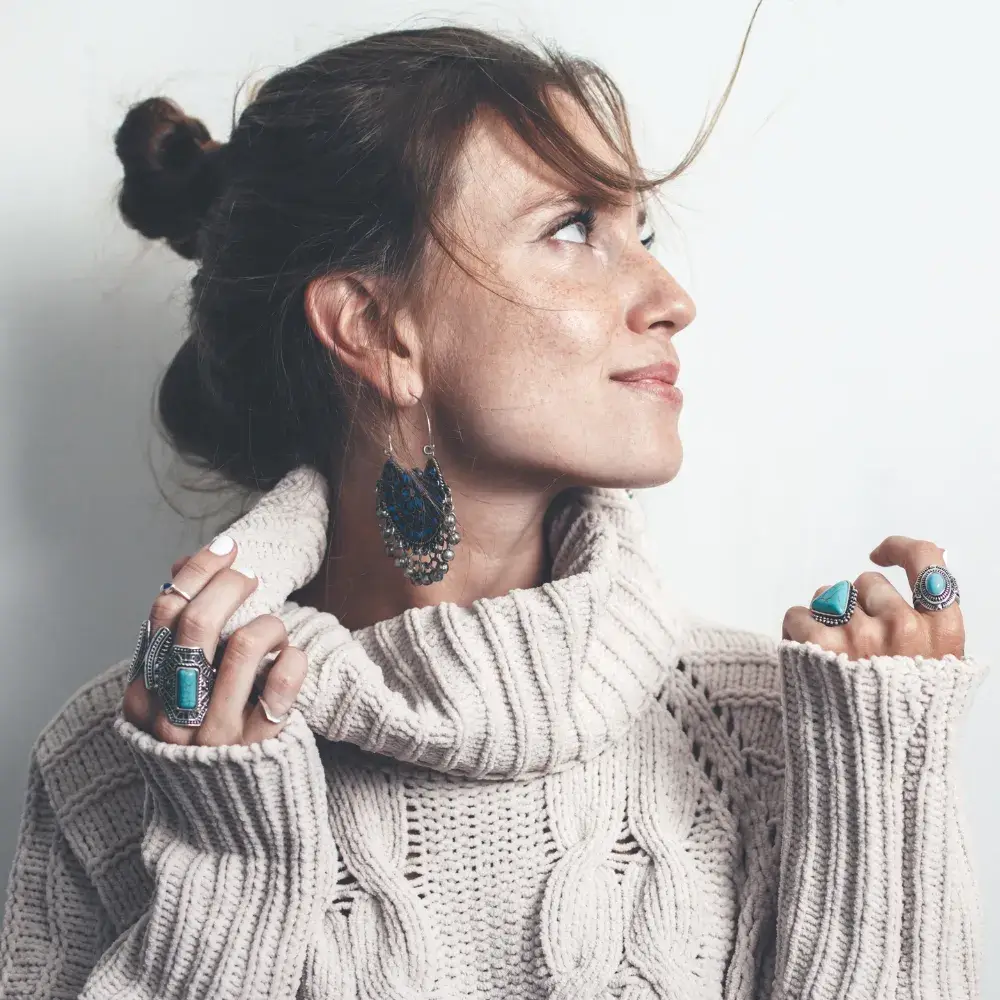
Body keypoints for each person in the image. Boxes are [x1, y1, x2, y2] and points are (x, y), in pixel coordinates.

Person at [0, 21, 987, 1000]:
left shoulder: (789, 734)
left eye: (640, 232)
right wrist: (229, 881)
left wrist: (878, 787)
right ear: (378, 328)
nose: (670, 296)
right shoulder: (115, 767)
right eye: (572, 227)